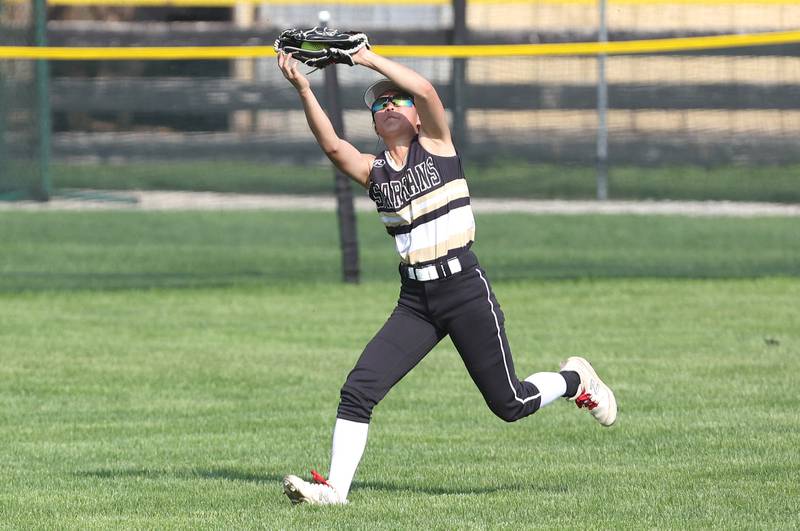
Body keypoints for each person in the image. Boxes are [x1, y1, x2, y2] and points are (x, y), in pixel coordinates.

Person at [277, 46, 617, 505]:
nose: (390, 105)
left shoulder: (437, 145)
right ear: (375, 125)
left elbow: (426, 89)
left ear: (418, 118)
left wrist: (365, 57)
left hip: (463, 291)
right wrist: (302, 87)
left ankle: (576, 381)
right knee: (358, 390)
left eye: (398, 100)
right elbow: (334, 146)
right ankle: (335, 490)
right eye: (380, 104)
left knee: (509, 404)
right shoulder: (375, 173)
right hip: (416, 301)